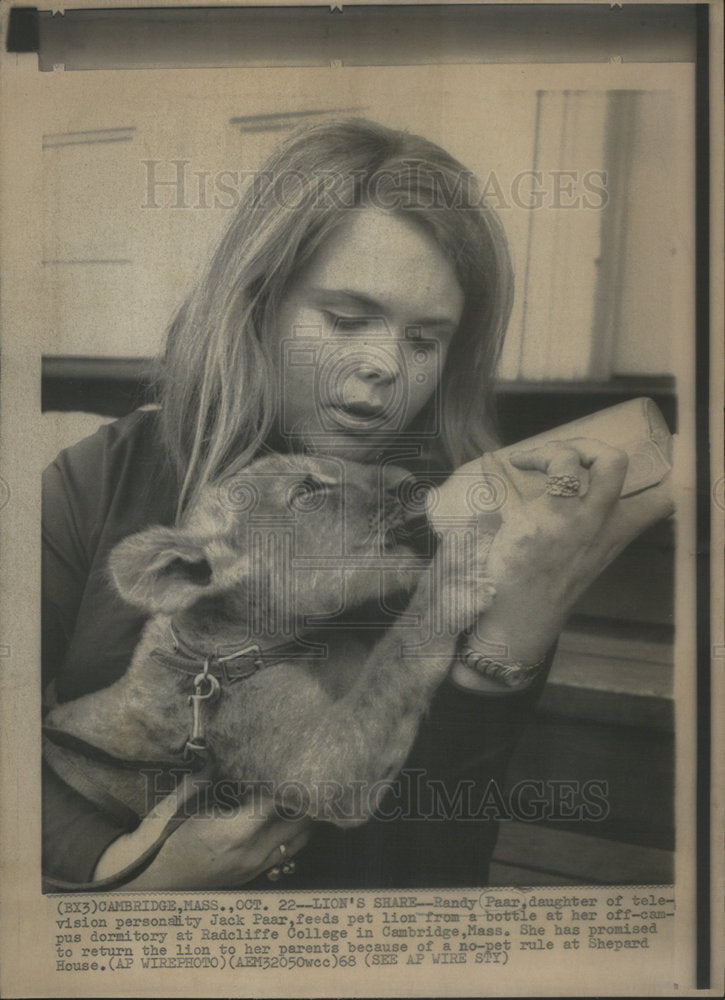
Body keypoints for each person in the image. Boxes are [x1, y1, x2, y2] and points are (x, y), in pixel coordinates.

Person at [42, 118, 631, 890]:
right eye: (347, 320)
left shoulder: (465, 527)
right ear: (257, 302)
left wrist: (514, 635)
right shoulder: (103, 476)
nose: (384, 365)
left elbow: (432, 869)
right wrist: (128, 872)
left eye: (424, 340)